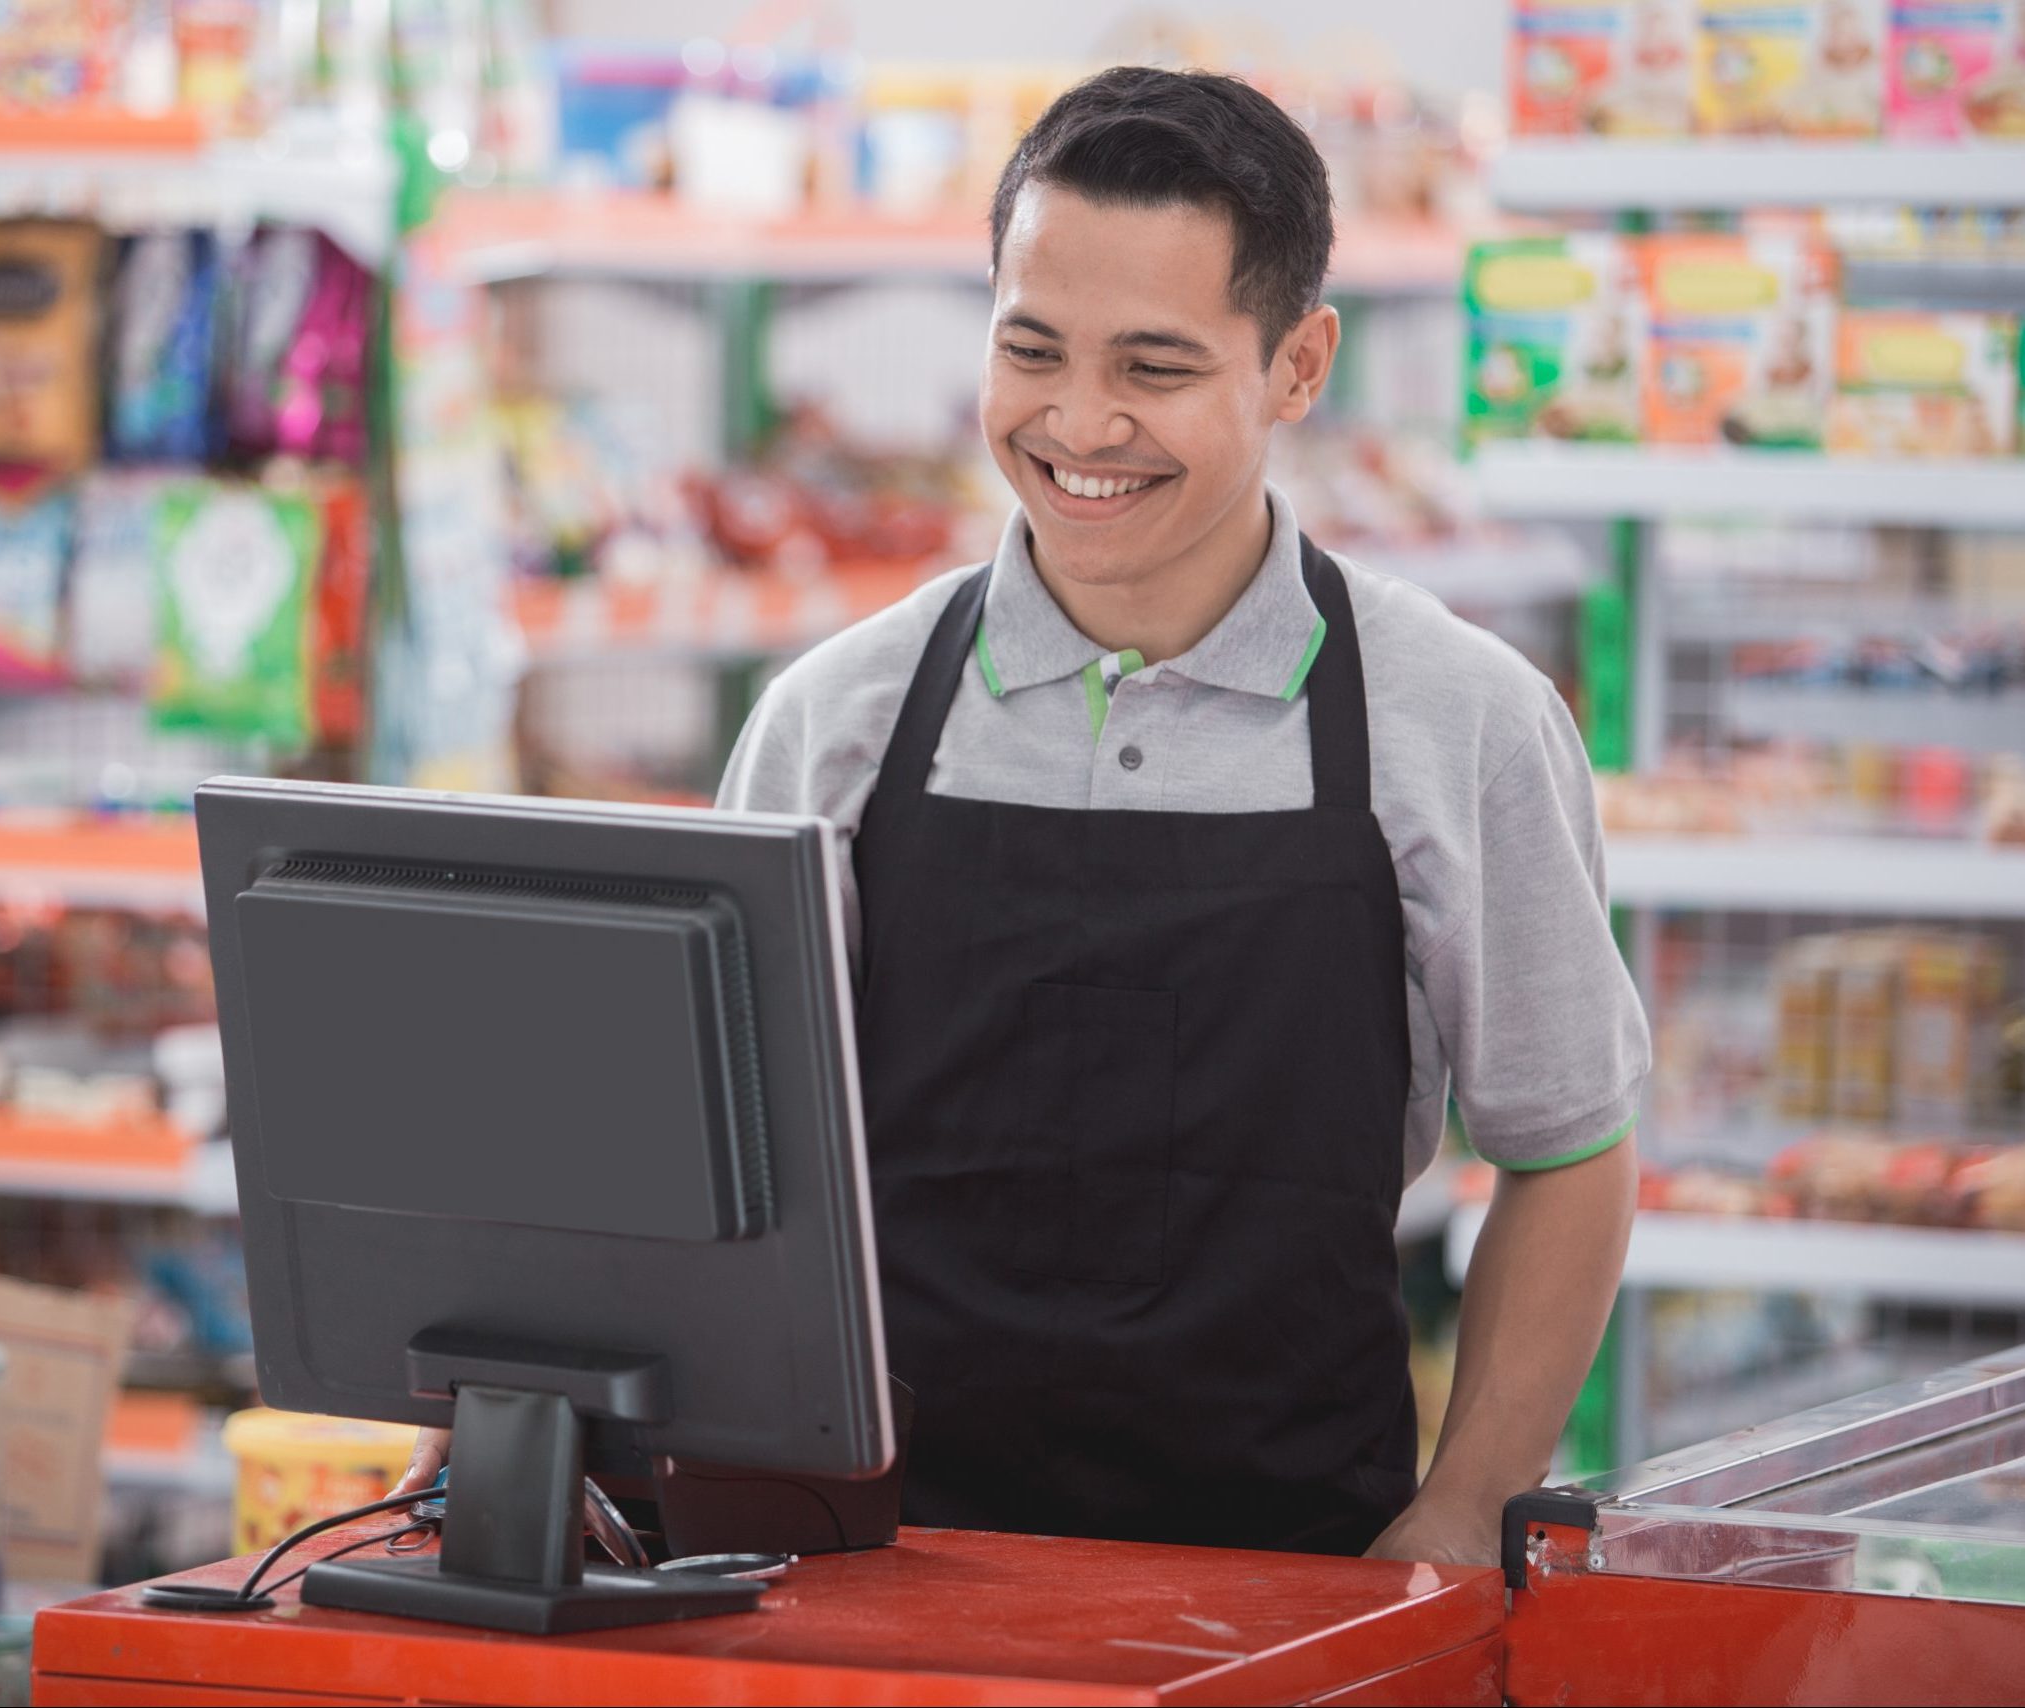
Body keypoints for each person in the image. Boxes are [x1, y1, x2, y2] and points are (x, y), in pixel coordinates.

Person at [403, 64, 1647, 1568]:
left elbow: (1568, 1145)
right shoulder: (835, 722)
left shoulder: (1458, 721)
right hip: (861, 1573)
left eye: (1157, 368)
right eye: (1031, 350)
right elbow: (692, 1165)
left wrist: (1459, 1512)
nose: (1079, 423)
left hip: (1290, 1581)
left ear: (1298, 366)